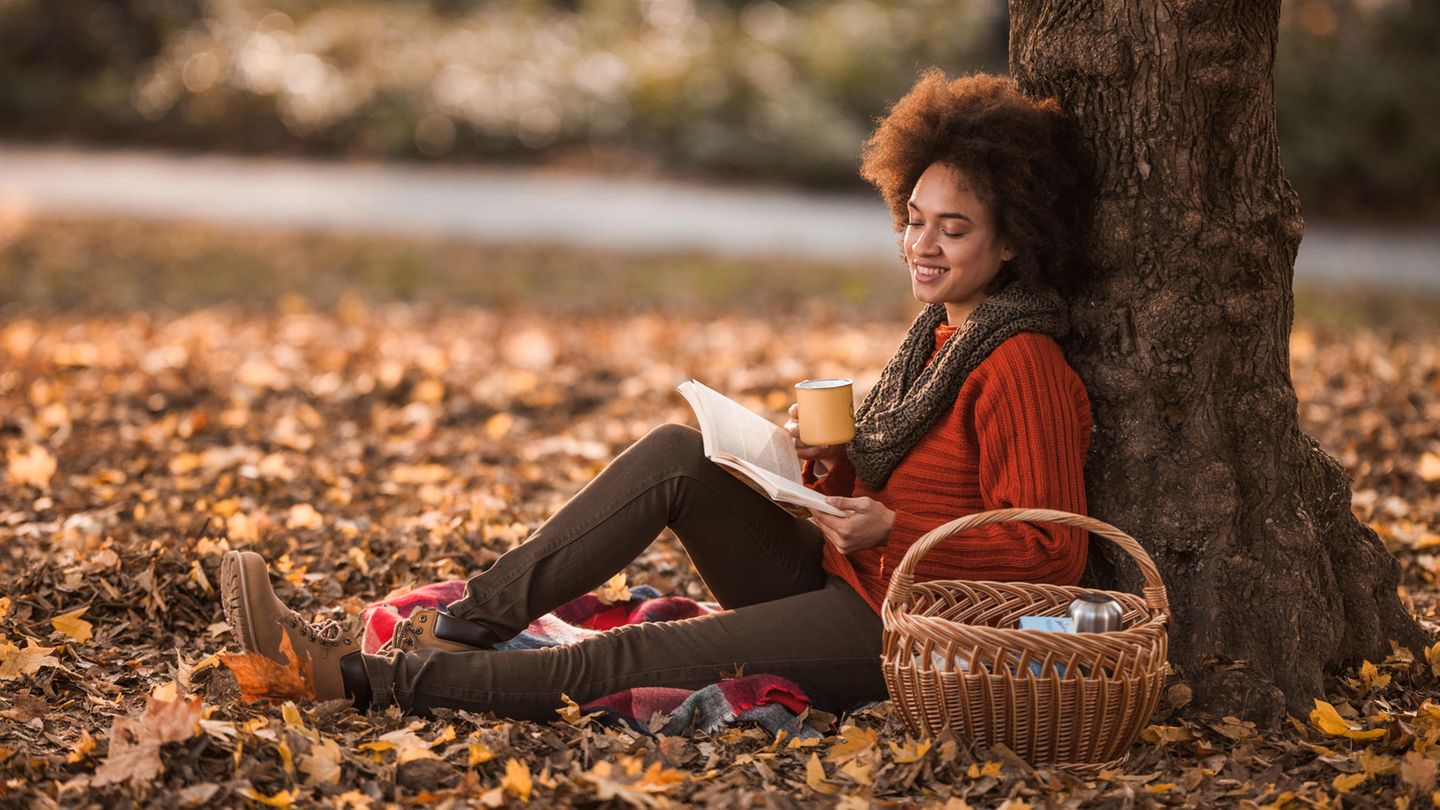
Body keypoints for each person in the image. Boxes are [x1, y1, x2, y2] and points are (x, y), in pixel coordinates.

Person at [218, 69, 1094, 718]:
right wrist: (820, 474)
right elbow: (888, 496)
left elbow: (1052, 556)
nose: (923, 244)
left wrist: (892, 530)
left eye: (955, 228)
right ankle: (470, 626)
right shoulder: (938, 335)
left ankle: (356, 679)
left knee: (634, 652)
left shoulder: (1021, 363)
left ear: (1012, 241)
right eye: (915, 218)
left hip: (898, 629)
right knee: (677, 455)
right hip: (845, 574)